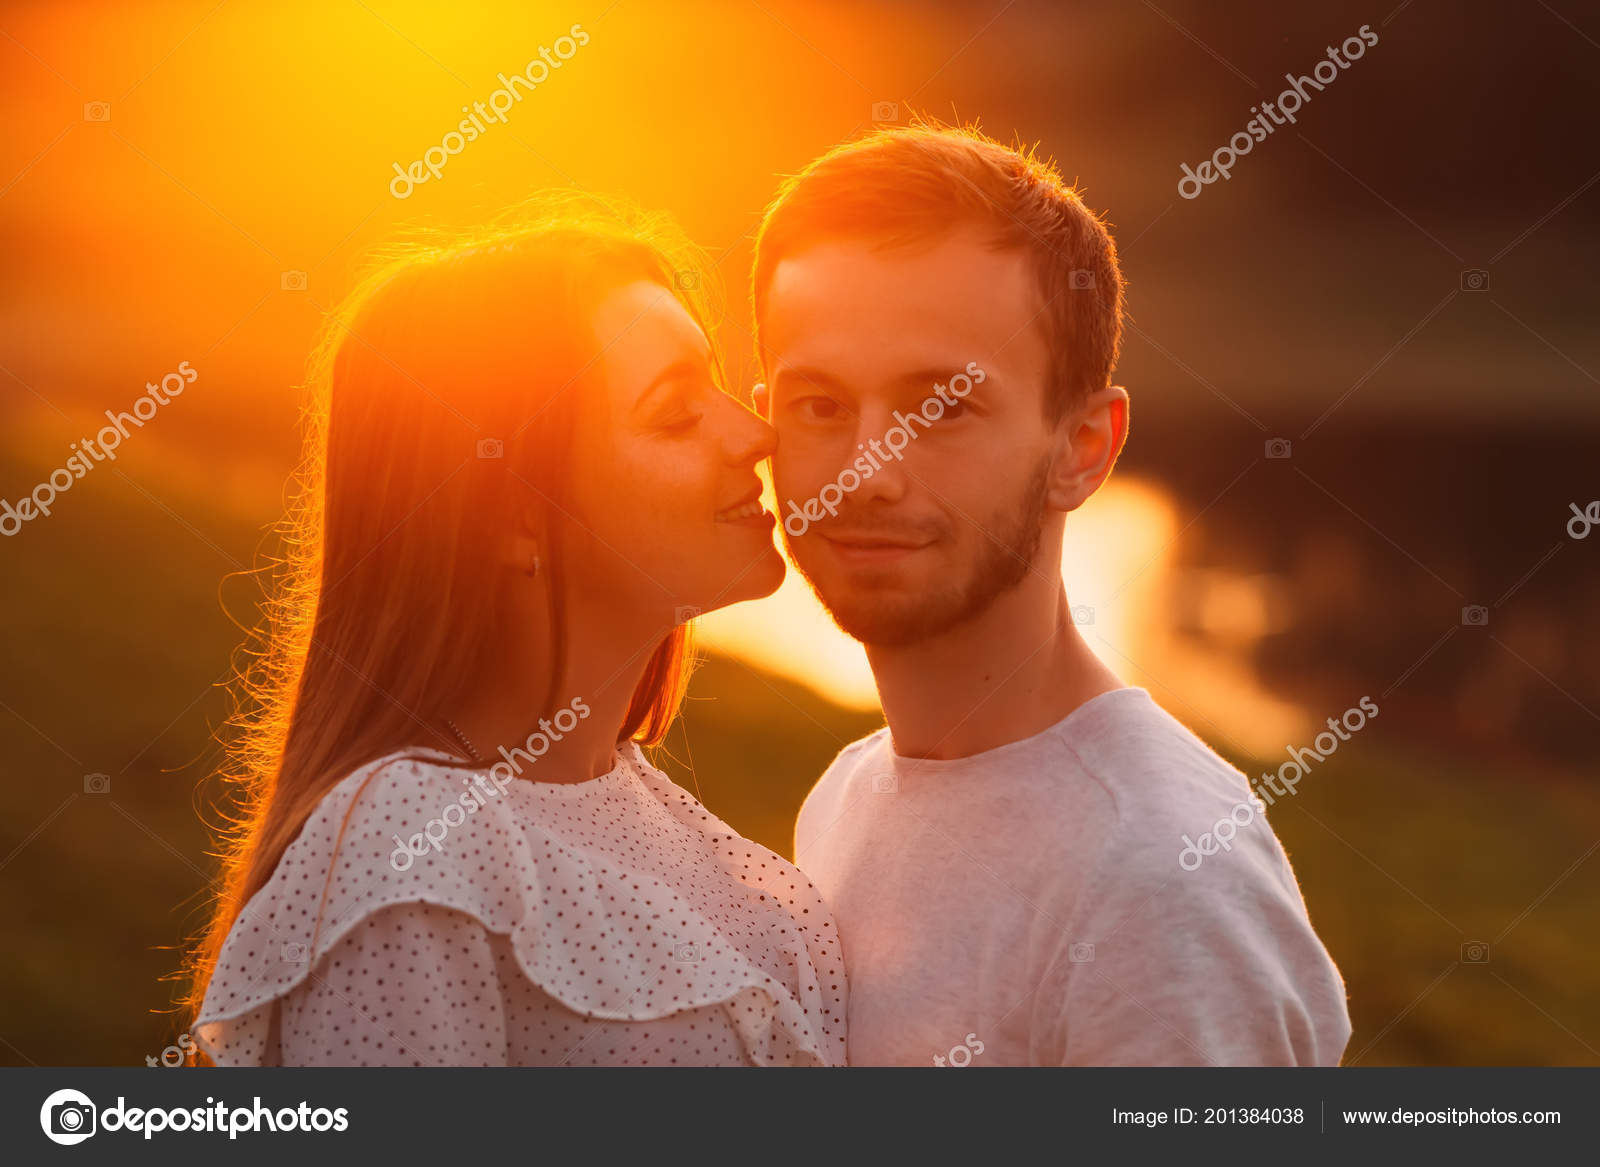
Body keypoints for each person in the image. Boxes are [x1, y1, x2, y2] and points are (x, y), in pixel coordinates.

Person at [181, 192, 845, 1066]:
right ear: (511, 519)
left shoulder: (679, 832)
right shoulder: (409, 848)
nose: (755, 433)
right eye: (678, 412)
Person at [752, 123, 1351, 1065]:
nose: (867, 470)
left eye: (941, 405)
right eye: (820, 403)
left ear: (1083, 449)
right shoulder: (848, 796)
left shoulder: (1160, 879)